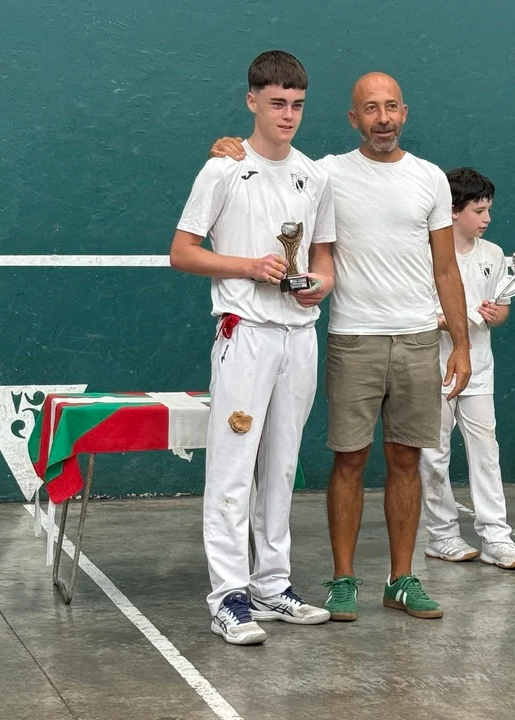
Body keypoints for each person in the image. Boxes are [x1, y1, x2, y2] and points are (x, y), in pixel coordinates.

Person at [210, 72, 470, 621]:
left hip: (418, 338)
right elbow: (272, 161)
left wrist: (461, 344)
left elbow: (447, 269)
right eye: (371, 109)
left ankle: (401, 580)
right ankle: (344, 580)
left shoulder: (430, 178)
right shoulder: (324, 172)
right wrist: (229, 147)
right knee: (349, 460)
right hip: (352, 337)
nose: (383, 118)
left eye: (391, 107)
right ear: (354, 118)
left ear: (404, 112)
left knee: (407, 459)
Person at [171, 51, 334, 645]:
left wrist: (322, 285)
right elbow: (182, 252)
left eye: (297, 105)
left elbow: (323, 257)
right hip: (244, 334)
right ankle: (228, 597)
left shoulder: (315, 175)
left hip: (299, 337)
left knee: (282, 467)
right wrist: (249, 267)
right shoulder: (222, 169)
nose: (288, 115)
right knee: (233, 469)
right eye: (277, 103)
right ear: (252, 101)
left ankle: (271, 585)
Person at [418, 168, 515, 570]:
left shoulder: (493, 254)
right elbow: (417, 311)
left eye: (488, 210)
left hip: (479, 369)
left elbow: (501, 309)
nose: (486, 218)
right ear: (453, 210)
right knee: (434, 454)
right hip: (434, 368)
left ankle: (496, 537)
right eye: (479, 211)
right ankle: (441, 535)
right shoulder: (425, 252)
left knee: (486, 452)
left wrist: (497, 314)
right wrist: (449, 321)